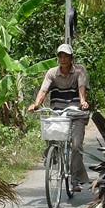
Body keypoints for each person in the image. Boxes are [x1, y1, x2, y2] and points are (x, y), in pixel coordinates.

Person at [27, 43, 90, 192]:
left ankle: (75, 179)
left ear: (71, 58)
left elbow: (81, 88)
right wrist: (36, 104)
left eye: (66, 56)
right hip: (57, 112)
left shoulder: (79, 71)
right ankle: (51, 155)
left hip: (75, 112)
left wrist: (82, 102)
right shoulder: (52, 73)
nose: (63, 59)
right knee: (50, 131)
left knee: (76, 146)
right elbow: (43, 90)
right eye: (60, 56)